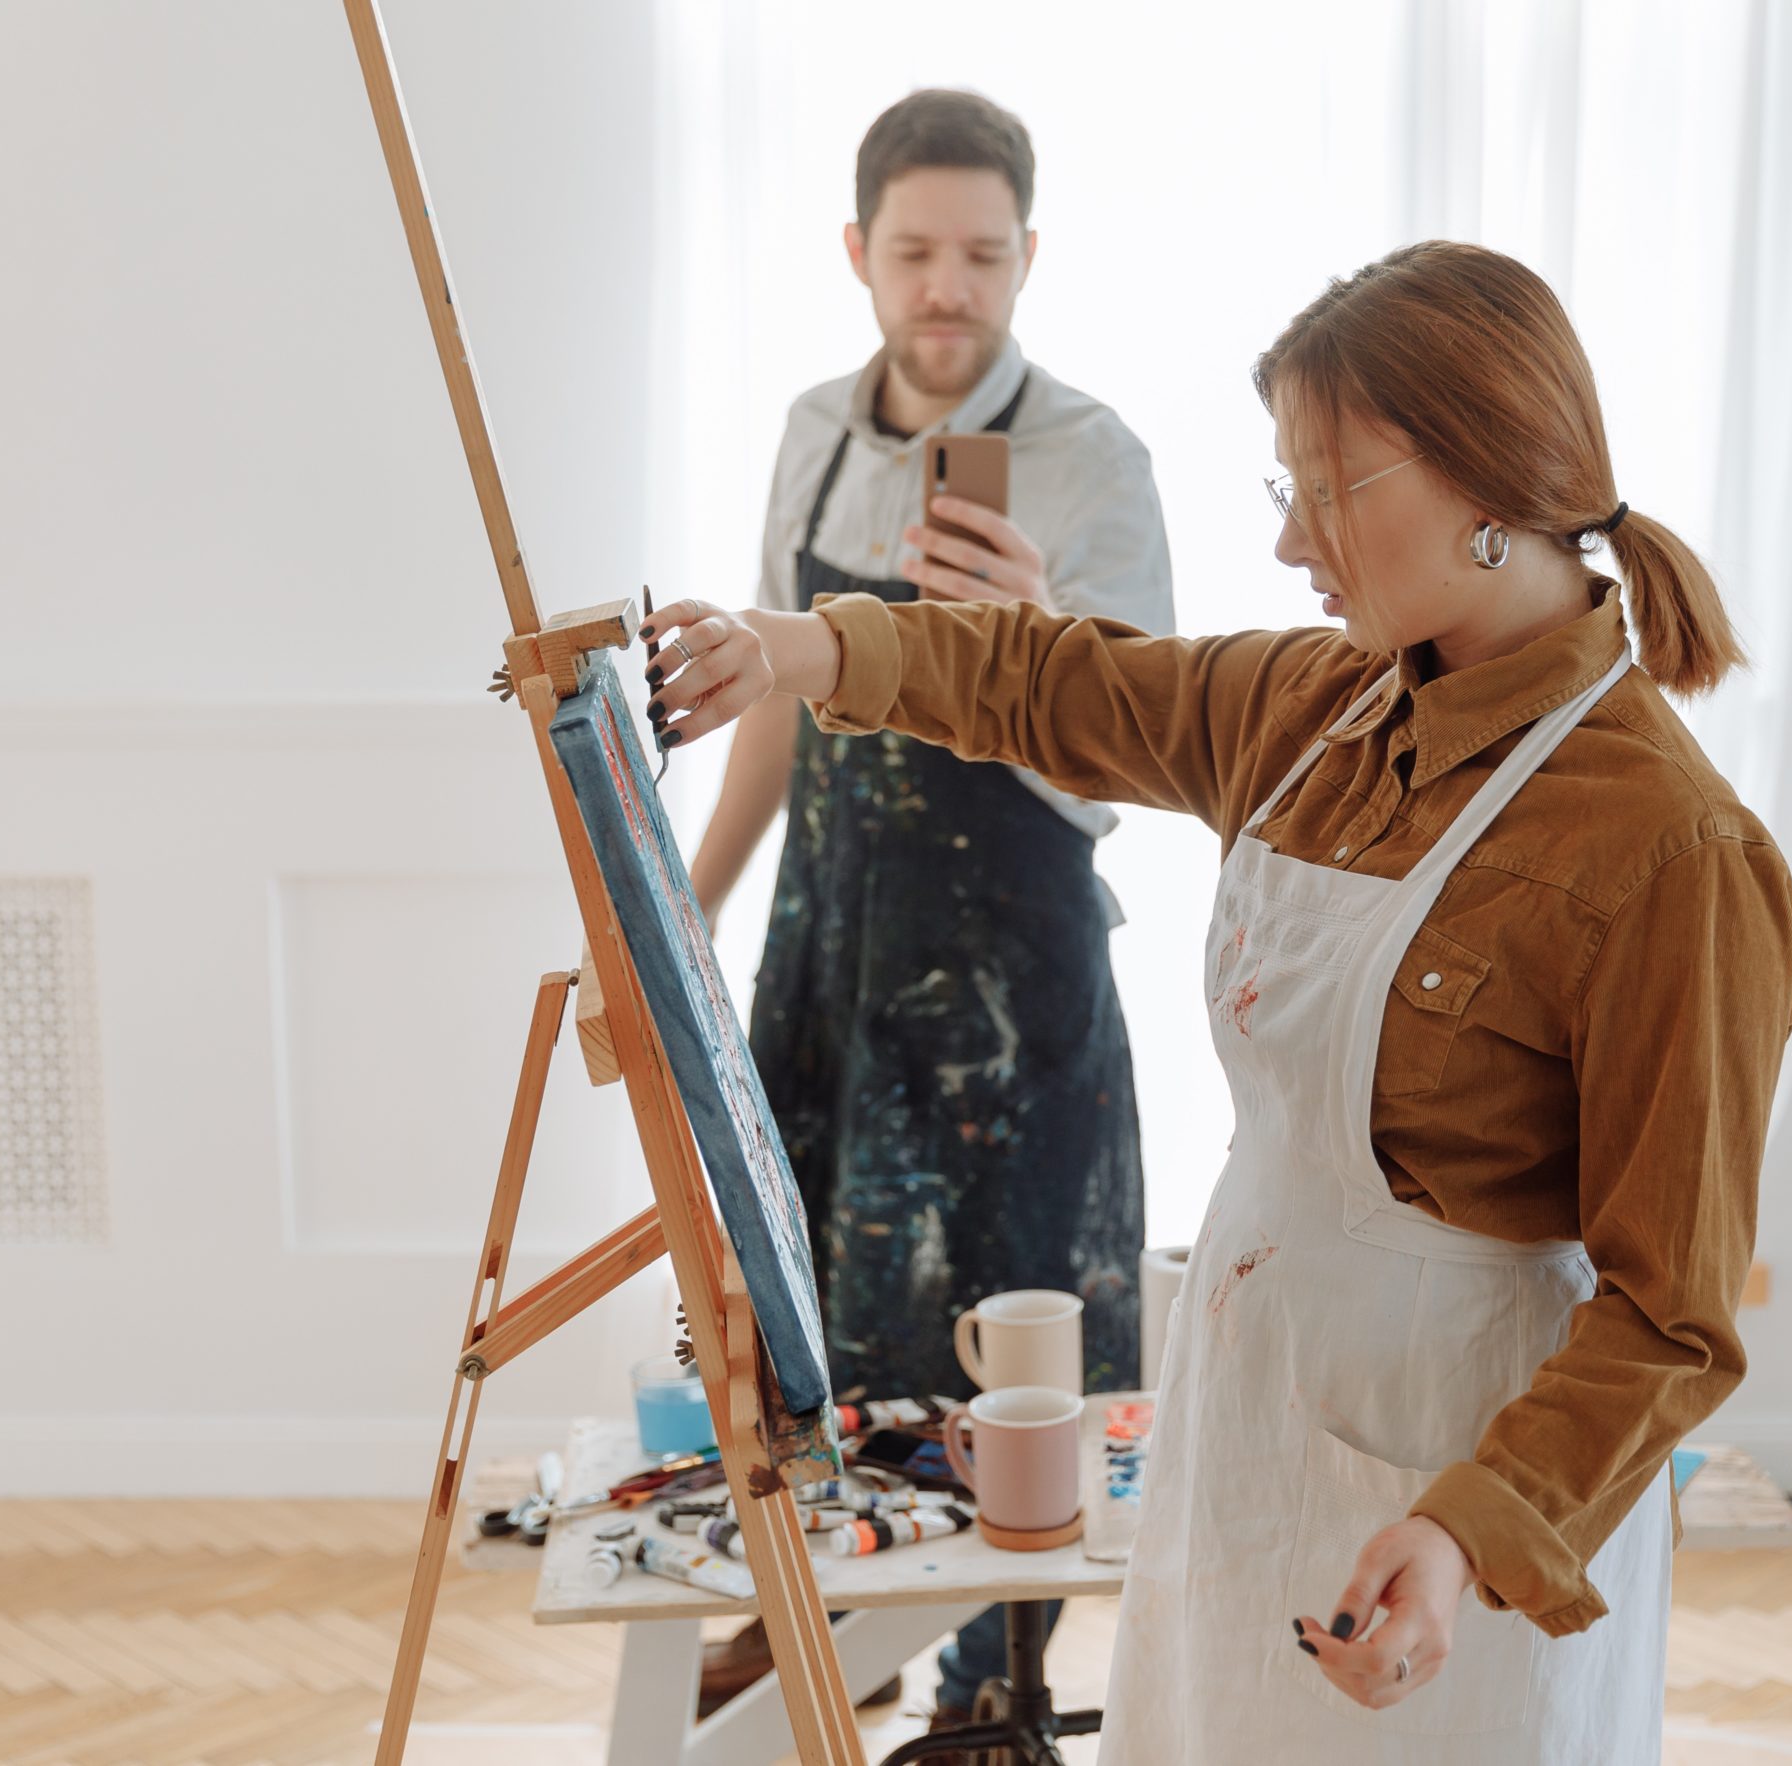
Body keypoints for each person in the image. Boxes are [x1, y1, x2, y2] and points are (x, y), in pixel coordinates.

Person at [638, 241, 1792, 1762]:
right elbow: (1059, 683)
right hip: (1245, 1413)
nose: (1289, 547)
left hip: (1456, 1483)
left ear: (1488, 489)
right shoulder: (1320, 709)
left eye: (1325, 492)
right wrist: (801, 647)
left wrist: (1467, 1532)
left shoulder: (1669, 851)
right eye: (1282, 491)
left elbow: (1672, 1318)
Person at [674, 89, 1173, 1727]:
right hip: (830, 951)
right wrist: (693, 906)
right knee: (820, 1317)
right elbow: (775, 693)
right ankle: (817, 1625)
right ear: (857, 255)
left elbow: (1125, 769)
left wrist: (1031, 636)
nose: (946, 287)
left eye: (979, 253)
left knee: (1016, 1334)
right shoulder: (813, 424)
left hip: (1010, 991)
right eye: (914, 252)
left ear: (1028, 256)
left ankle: (990, 1682)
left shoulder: (1097, 459)